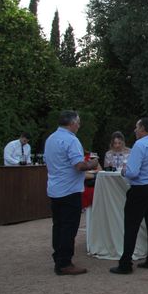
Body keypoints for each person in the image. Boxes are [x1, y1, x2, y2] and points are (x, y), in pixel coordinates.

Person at [110, 117, 148, 274]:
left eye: (136, 127)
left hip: (140, 189)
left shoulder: (140, 145)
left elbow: (133, 172)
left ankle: (125, 264)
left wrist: (124, 171)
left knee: (131, 225)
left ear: (143, 128)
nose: (135, 130)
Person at [45, 111, 98, 275]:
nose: (79, 126)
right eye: (78, 122)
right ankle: (64, 263)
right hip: (69, 190)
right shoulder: (71, 140)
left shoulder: (51, 139)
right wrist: (92, 164)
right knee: (69, 227)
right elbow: (79, 166)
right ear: (72, 123)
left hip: (55, 188)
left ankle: (58, 258)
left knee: (58, 226)